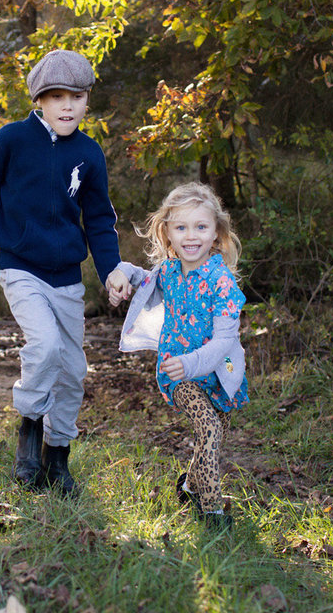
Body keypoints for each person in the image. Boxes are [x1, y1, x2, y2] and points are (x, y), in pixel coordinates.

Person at [0, 49, 130, 497]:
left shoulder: (89, 153)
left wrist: (110, 271)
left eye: (76, 96)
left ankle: (58, 457)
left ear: (87, 99)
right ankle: (29, 432)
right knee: (46, 345)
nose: (66, 106)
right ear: (39, 101)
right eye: (56, 97)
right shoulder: (10, 140)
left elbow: (98, 219)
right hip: (20, 267)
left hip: (67, 277)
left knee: (73, 369)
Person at [112, 182, 248, 529]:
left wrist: (194, 362)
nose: (191, 236)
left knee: (214, 434)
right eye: (181, 227)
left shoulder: (222, 284)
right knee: (209, 429)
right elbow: (142, 278)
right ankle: (212, 511)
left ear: (216, 233)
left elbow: (222, 342)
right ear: (167, 233)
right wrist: (123, 273)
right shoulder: (169, 273)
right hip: (177, 373)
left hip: (216, 372)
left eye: (201, 227)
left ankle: (189, 486)